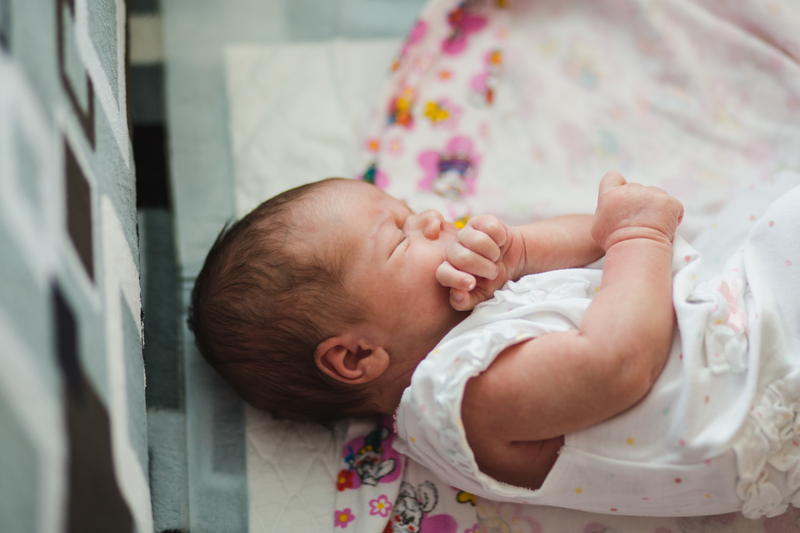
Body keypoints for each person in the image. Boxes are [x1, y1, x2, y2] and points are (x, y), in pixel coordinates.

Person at [189, 171, 800, 519]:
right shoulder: (460, 397)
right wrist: (639, 235)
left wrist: (522, 252)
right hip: (759, 374)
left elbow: (595, 238)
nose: (432, 219)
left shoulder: (477, 314)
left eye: (411, 211)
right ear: (356, 357)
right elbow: (618, 363)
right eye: (400, 238)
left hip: (737, 314)